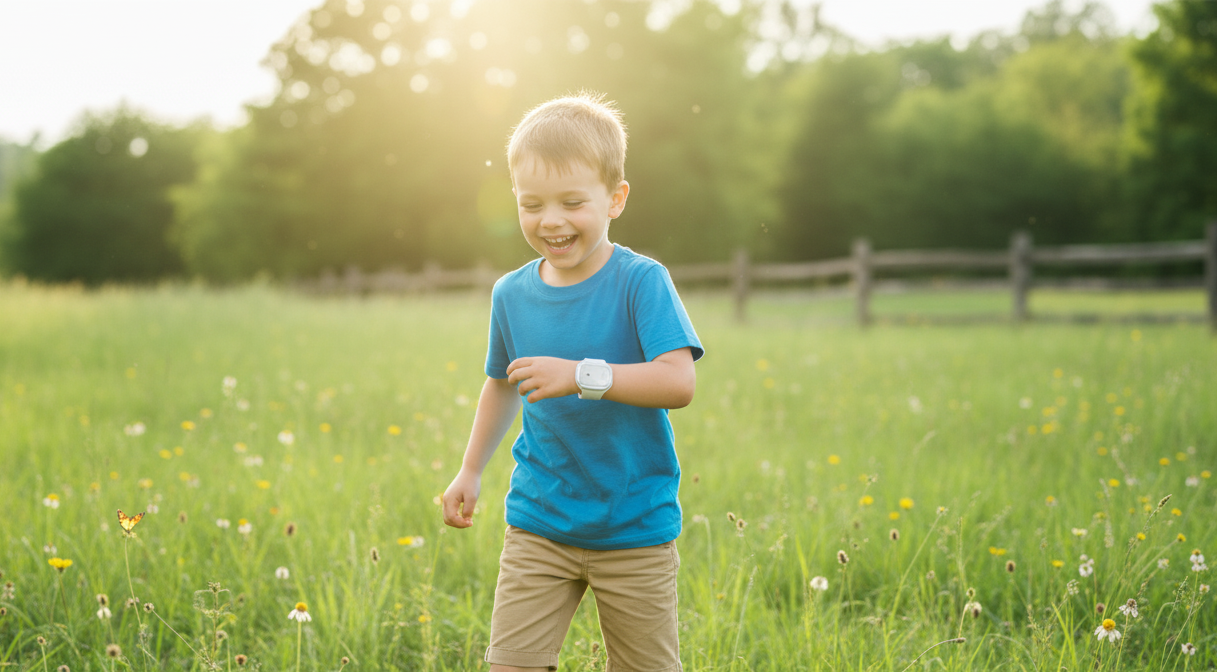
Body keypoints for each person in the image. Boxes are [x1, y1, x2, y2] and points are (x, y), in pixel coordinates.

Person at [441, 92, 704, 672]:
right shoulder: (511, 293)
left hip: (634, 525)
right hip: (540, 520)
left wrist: (581, 376)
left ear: (615, 199)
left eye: (572, 202)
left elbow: (677, 381)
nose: (551, 220)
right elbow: (502, 383)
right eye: (531, 203)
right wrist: (471, 469)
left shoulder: (641, 282)